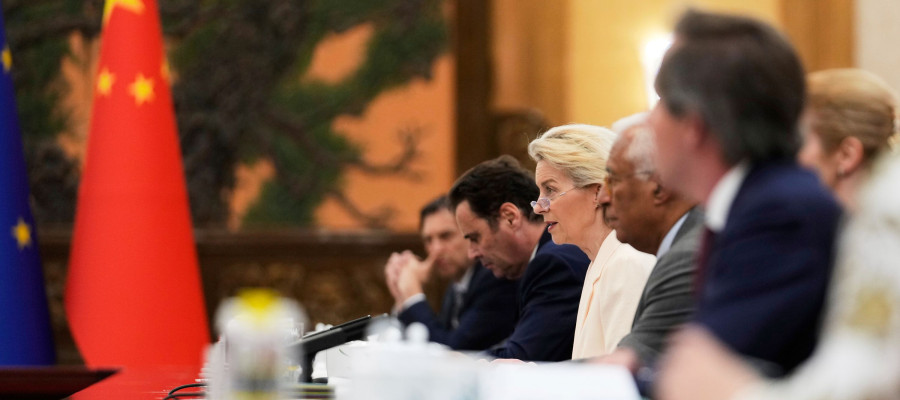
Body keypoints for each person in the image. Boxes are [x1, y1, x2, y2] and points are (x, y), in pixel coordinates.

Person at [657, 69, 900, 400]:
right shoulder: (843, 226)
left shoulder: (885, 211)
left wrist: (741, 393)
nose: (781, 159)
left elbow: (866, 375)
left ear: (846, 155)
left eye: (796, 143)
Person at [648, 9, 842, 377]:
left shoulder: (781, 214)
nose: (648, 122)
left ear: (693, 125)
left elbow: (714, 371)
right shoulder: (759, 199)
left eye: (659, 104)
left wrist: (636, 377)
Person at [527, 124, 655, 359]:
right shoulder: (600, 263)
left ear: (598, 192)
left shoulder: (626, 263)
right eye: (540, 192)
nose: (538, 207)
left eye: (550, 190)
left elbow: (621, 375)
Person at [449, 155, 591, 362]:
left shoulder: (554, 263)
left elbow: (519, 360)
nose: (472, 253)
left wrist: (451, 364)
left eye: (475, 238)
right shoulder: (535, 263)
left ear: (510, 217)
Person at [589, 114, 701, 369]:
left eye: (613, 180)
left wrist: (527, 374)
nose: (603, 197)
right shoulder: (681, 246)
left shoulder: (685, 259)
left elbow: (628, 366)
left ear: (660, 187)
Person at [385, 195, 519, 351]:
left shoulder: (494, 277)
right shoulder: (457, 284)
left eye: (446, 236)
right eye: (428, 240)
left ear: (470, 234)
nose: (436, 250)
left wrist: (412, 295)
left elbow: (453, 352)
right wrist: (401, 296)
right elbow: (435, 338)